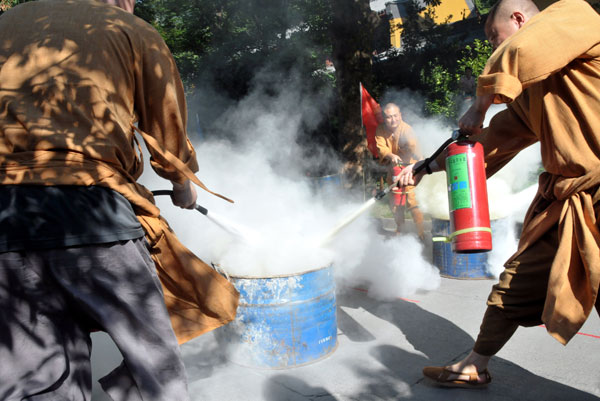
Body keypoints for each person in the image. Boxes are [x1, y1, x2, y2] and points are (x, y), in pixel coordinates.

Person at [0, 0, 239, 400]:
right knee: (154, 368)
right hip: (92, 213)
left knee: (37, 383)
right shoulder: (129, 29)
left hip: (6, 223)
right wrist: (182, 184)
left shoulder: (6, 23)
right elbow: (167, 133)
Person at [398, 0, 600, 388]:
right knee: (515, 281)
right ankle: (476, 363)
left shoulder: (574, 15)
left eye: (494, 36)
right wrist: (425, 167)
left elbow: (520, 50)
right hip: (568, 203)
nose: (493, 47)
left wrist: (479, 105)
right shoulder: (535, 93)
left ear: (521, 19)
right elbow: (494, 142)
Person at [375, 103, 425, 239]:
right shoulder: (380, 130)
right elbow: (381, 148)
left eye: (395, 116)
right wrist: (392, 156)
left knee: (412, 201)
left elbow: (415, 148)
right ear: (384, 118)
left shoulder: (407, 130)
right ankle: (400, 229)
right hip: (393, 171)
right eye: (389, 117)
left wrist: (420, 164)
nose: (393, 120)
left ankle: (421, 233)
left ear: (400, 115)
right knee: (395, 203)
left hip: (409, 170)